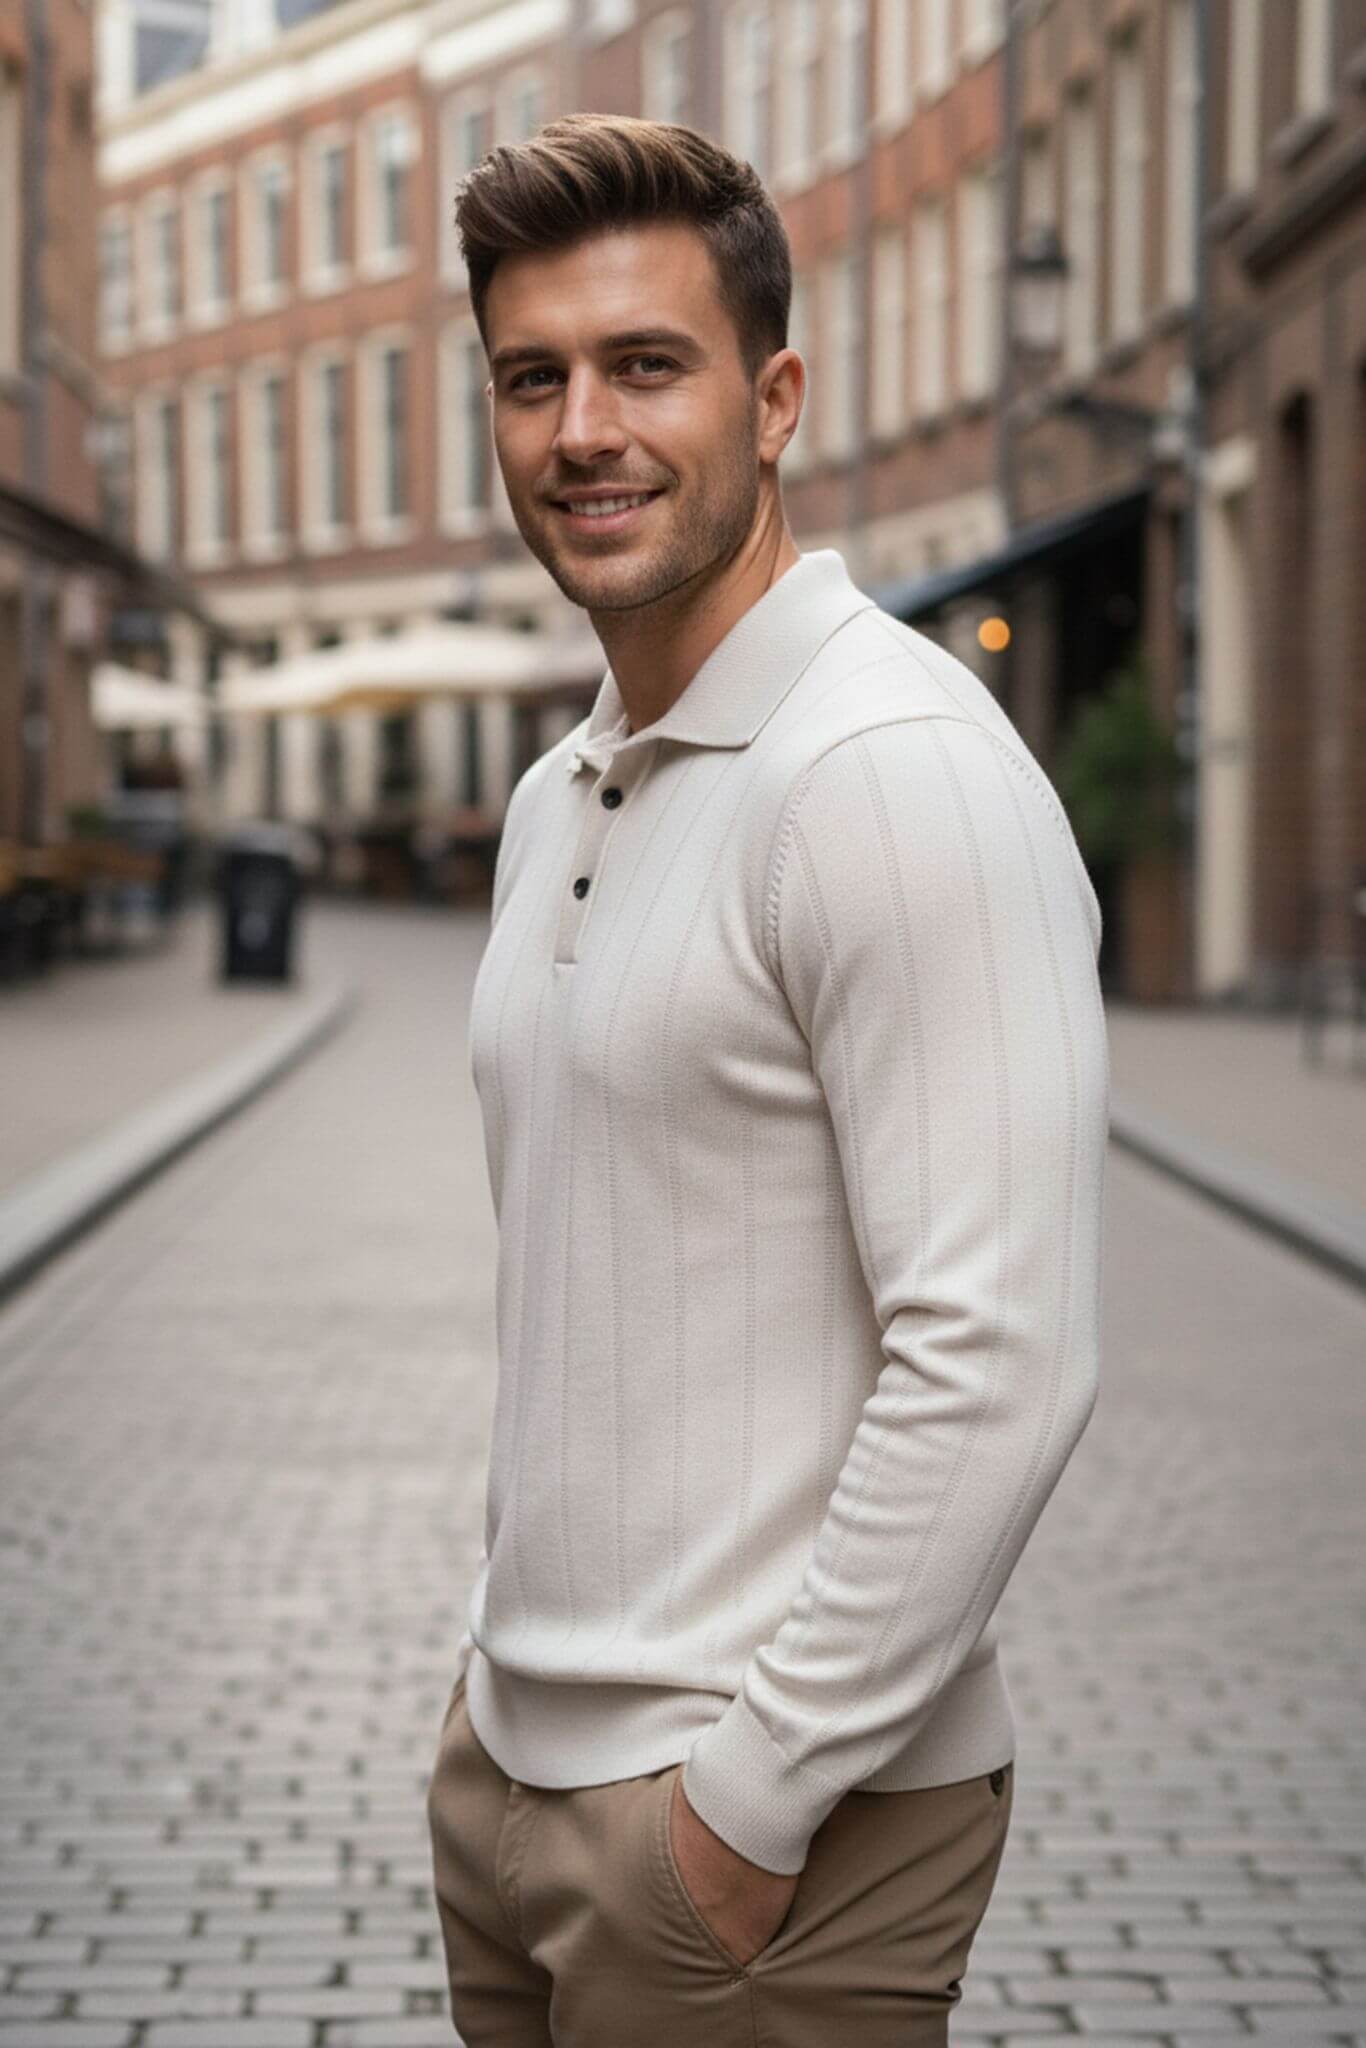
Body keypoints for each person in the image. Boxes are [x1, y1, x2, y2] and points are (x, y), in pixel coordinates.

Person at [425, 112, 1109, 2047]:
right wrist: (492, 1720)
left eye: (648, 366)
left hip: (766, 1848)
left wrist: (745, 1802)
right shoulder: (564, 786)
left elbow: (1001, 1353)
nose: (583, 431)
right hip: (518, 1782)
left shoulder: (890, 772)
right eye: (533, 377)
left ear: (776, 394)